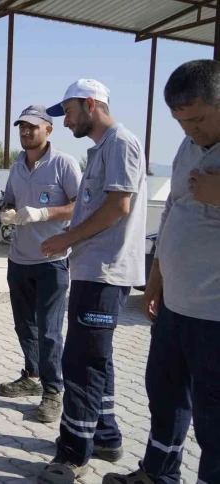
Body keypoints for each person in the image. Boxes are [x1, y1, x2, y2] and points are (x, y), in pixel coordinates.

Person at [104, 60, 220, 484]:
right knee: (165, 394)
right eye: (181, 121)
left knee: (214, 417)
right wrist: (155, 280)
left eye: (199, 119)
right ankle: (158, 473)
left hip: (215, 316)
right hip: (176, 306)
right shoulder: (189, 146)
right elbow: (172, 211)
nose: (191, 130)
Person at [36, 80, 147, 482]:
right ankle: (105, 436)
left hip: (105, 271)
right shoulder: (103, 148)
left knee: (81, 364)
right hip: (94, 270)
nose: (64, 122)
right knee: (98, 358)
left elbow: (119, 205)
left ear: (89, 104)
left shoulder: (120, 143)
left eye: (67, 112)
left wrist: (67, 238)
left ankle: (72, 456)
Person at [0, 105, 81, 424]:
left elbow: (79, 206)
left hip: (52, 261)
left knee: (49, 330)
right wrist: (7, 211)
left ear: (48, 130)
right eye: (22, 127)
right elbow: (9, 200)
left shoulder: (64, 164)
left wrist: (44, 213)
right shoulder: (17, 166)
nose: (25, 132)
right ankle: (31, 376)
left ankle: (53, 391)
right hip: (19, 259)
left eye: (32, 127)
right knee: (24, 325)